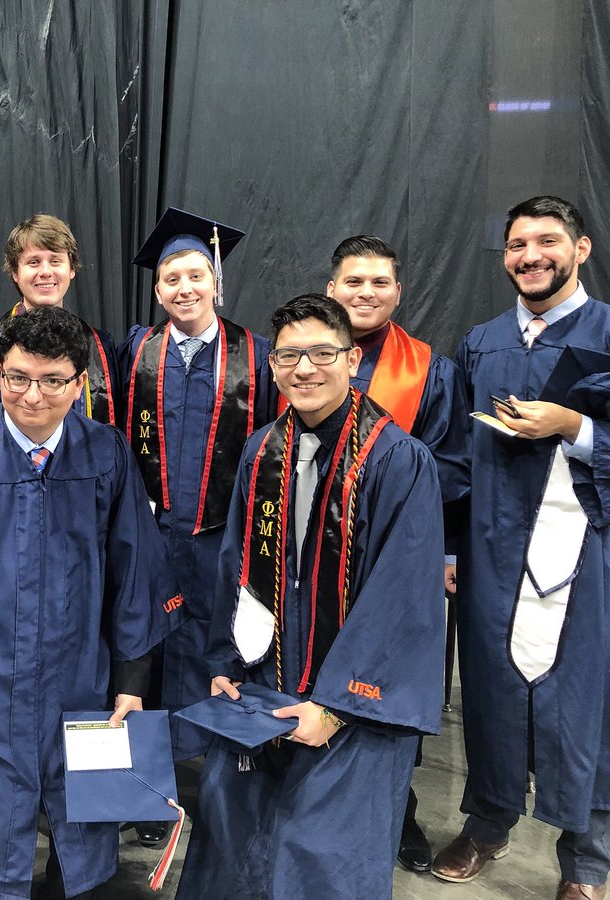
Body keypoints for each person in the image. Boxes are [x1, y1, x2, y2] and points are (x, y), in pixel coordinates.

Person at [0, 306, 180, 899]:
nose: (32, 395)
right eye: (17, 377)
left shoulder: (106, 453)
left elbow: (134, 573)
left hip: (84, 676)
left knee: (82, 822)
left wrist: (132, 679)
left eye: (53, 380)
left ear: (80, 384)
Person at [177, 293, 446, 899]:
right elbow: (236, 572)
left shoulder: (397, 460)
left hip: (352, 706)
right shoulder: (261, 451)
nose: (305, 369)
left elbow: (401, 601)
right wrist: (223, 663)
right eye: (290, 355)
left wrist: (337, 706)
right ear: (272, 366)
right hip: (266, 685)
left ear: (353, 359)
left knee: (320, 855)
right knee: (233, 831)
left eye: (322, 353)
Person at [431, 196, 610, 900]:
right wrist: (451, 550)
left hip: (588, 560)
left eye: (548, 241)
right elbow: (456, 459)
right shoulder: (481, 342)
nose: (530, 255)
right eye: (517, 244)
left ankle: (585, 863)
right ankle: (488, 824)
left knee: (586, 705)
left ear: (581, 249)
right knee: (489, 695)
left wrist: (575, 426)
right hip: (490, 555)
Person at [117, 208, 277, 849]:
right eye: (170, 279)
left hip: (223, 545)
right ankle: (152, 803)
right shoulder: (137, 353)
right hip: (152, 541)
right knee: (146, 663)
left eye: (194, 275)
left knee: (225, 658)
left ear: (216, 281)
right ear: (157, 292)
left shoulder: (257, 358)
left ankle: (223, 797)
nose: (183, 288)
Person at [327, 234, 471, 872]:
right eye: (353, 282)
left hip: (393, 554)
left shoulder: (428, 368)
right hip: (314, 551)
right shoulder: (303, 350)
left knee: (385, 678)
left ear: (398, 290)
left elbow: (453, 464)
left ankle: (396, 806)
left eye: (378, 282)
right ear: (333, 288)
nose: (365, 293)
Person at [0, 214, 120, 425]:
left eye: (55, 261)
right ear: (15, 272)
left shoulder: (100, 347)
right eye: (33, 262)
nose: (45, 272)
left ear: (71, 270)